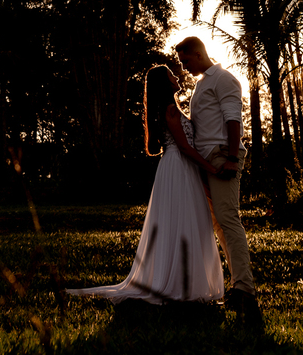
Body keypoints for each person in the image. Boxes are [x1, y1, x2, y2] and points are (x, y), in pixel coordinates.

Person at [66, 65, 225, 304]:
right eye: (172, 74)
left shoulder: (172, 108)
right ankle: (177, 282)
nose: (176, 76)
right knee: (180, 221)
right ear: (164, 82)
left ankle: (186, 280)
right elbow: (184, 147)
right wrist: (212, 169)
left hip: (180, 168)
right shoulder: (170, 109)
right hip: (178, 167)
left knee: (184, 221)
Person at [175, 35, 262, 327]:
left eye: (186, 60)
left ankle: (246, 292)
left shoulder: (223, 78)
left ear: (199, 53)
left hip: (222, 155)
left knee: (228, 218)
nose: (184, 67)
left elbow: (233, 119)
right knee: (218, 224)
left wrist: (233, 158)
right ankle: (239, 288)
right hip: (207, 160)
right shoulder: (201, 84)